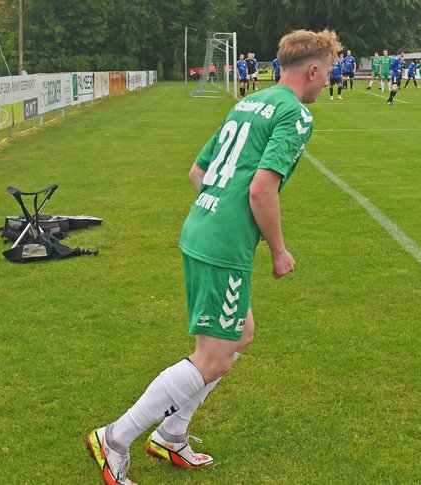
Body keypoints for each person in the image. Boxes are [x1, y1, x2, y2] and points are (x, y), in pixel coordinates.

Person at [85, 28, 340, 485]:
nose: (328, 82)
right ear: (313, 70)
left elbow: (197, 171)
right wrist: (279, 251)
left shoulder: (247, 102)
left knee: (240, 334)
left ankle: (171, 434)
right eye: (328, 73)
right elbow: (262, 190)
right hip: (222, 244)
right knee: (214, 357)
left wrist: (218, 209)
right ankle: (114, 438)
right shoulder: (295, 114)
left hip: (201, 226)